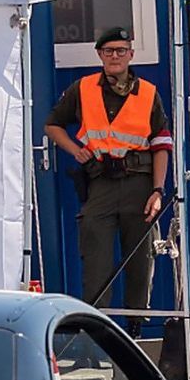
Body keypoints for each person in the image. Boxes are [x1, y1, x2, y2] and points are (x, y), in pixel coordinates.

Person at [44, 27, 172, 329]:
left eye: (121, 50)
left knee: (139, 264)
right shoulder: (83, 88)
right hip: (100, 184)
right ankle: (98, 338)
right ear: (100, 54)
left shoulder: (149, 93)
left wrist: (157, 190)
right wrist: (76, 151)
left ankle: (136, 332)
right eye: (108, 51)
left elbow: (161, 145)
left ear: (131, 54)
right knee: (96, 265)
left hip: (139, 186)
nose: (115, 56)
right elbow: (53, 125)